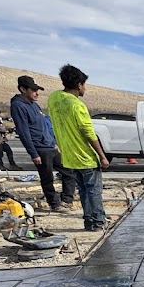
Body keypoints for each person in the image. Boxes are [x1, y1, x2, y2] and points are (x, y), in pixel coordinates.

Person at [47, 65, 109, 231]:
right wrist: (102, 156)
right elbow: (88, 133)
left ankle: (88, 221)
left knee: (82, 190)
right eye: (84, 84)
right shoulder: (77, 105)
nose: (85, 88)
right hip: (85, 156)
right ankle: (99, 222)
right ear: (79, 84)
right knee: (93, 191)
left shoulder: (54, 98)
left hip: (69, 157)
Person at [10, 75, 75, 209]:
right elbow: (23, 131)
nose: (37, 93)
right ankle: (54, 204)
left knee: (68, 171)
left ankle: (67, 200)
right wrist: (33, 153)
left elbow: (45, 126)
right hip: (40, 148)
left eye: (37, 90)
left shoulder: (35, 105)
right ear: (23, 89)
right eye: (33, 90)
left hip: (50, 145)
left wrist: (54, 142)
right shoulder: (18, 106)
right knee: (47, 177)